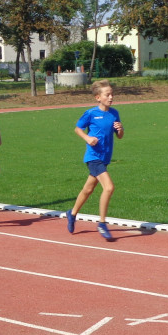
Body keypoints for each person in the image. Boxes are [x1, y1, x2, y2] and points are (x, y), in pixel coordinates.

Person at [66, 80, 123, 241]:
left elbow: (119, 136)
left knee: (88, 189)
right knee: (109, 187)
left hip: (105, 157)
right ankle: (102, 223)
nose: (111, 97)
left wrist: (120, 130)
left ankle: (72, 213)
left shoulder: (114, 113)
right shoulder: (91, 113)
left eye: (112, 94)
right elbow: (77, 129)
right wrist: (87, 138)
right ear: (98, 97)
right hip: (93, 157)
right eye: (107, 95)